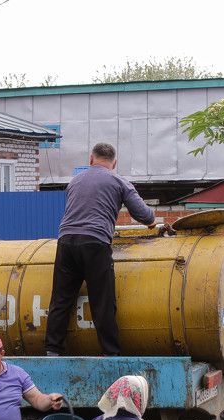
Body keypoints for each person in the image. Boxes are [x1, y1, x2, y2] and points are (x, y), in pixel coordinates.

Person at [45, 142, 157, 357]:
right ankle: (110, 352)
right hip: (95, 243)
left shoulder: (75, 181)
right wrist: (153, 224)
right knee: (102, 301)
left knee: (60, 299)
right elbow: (141, 213)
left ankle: (52, 351)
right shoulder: (119, 182)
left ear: (91, 159)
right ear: (114, 163)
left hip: (66, 241)